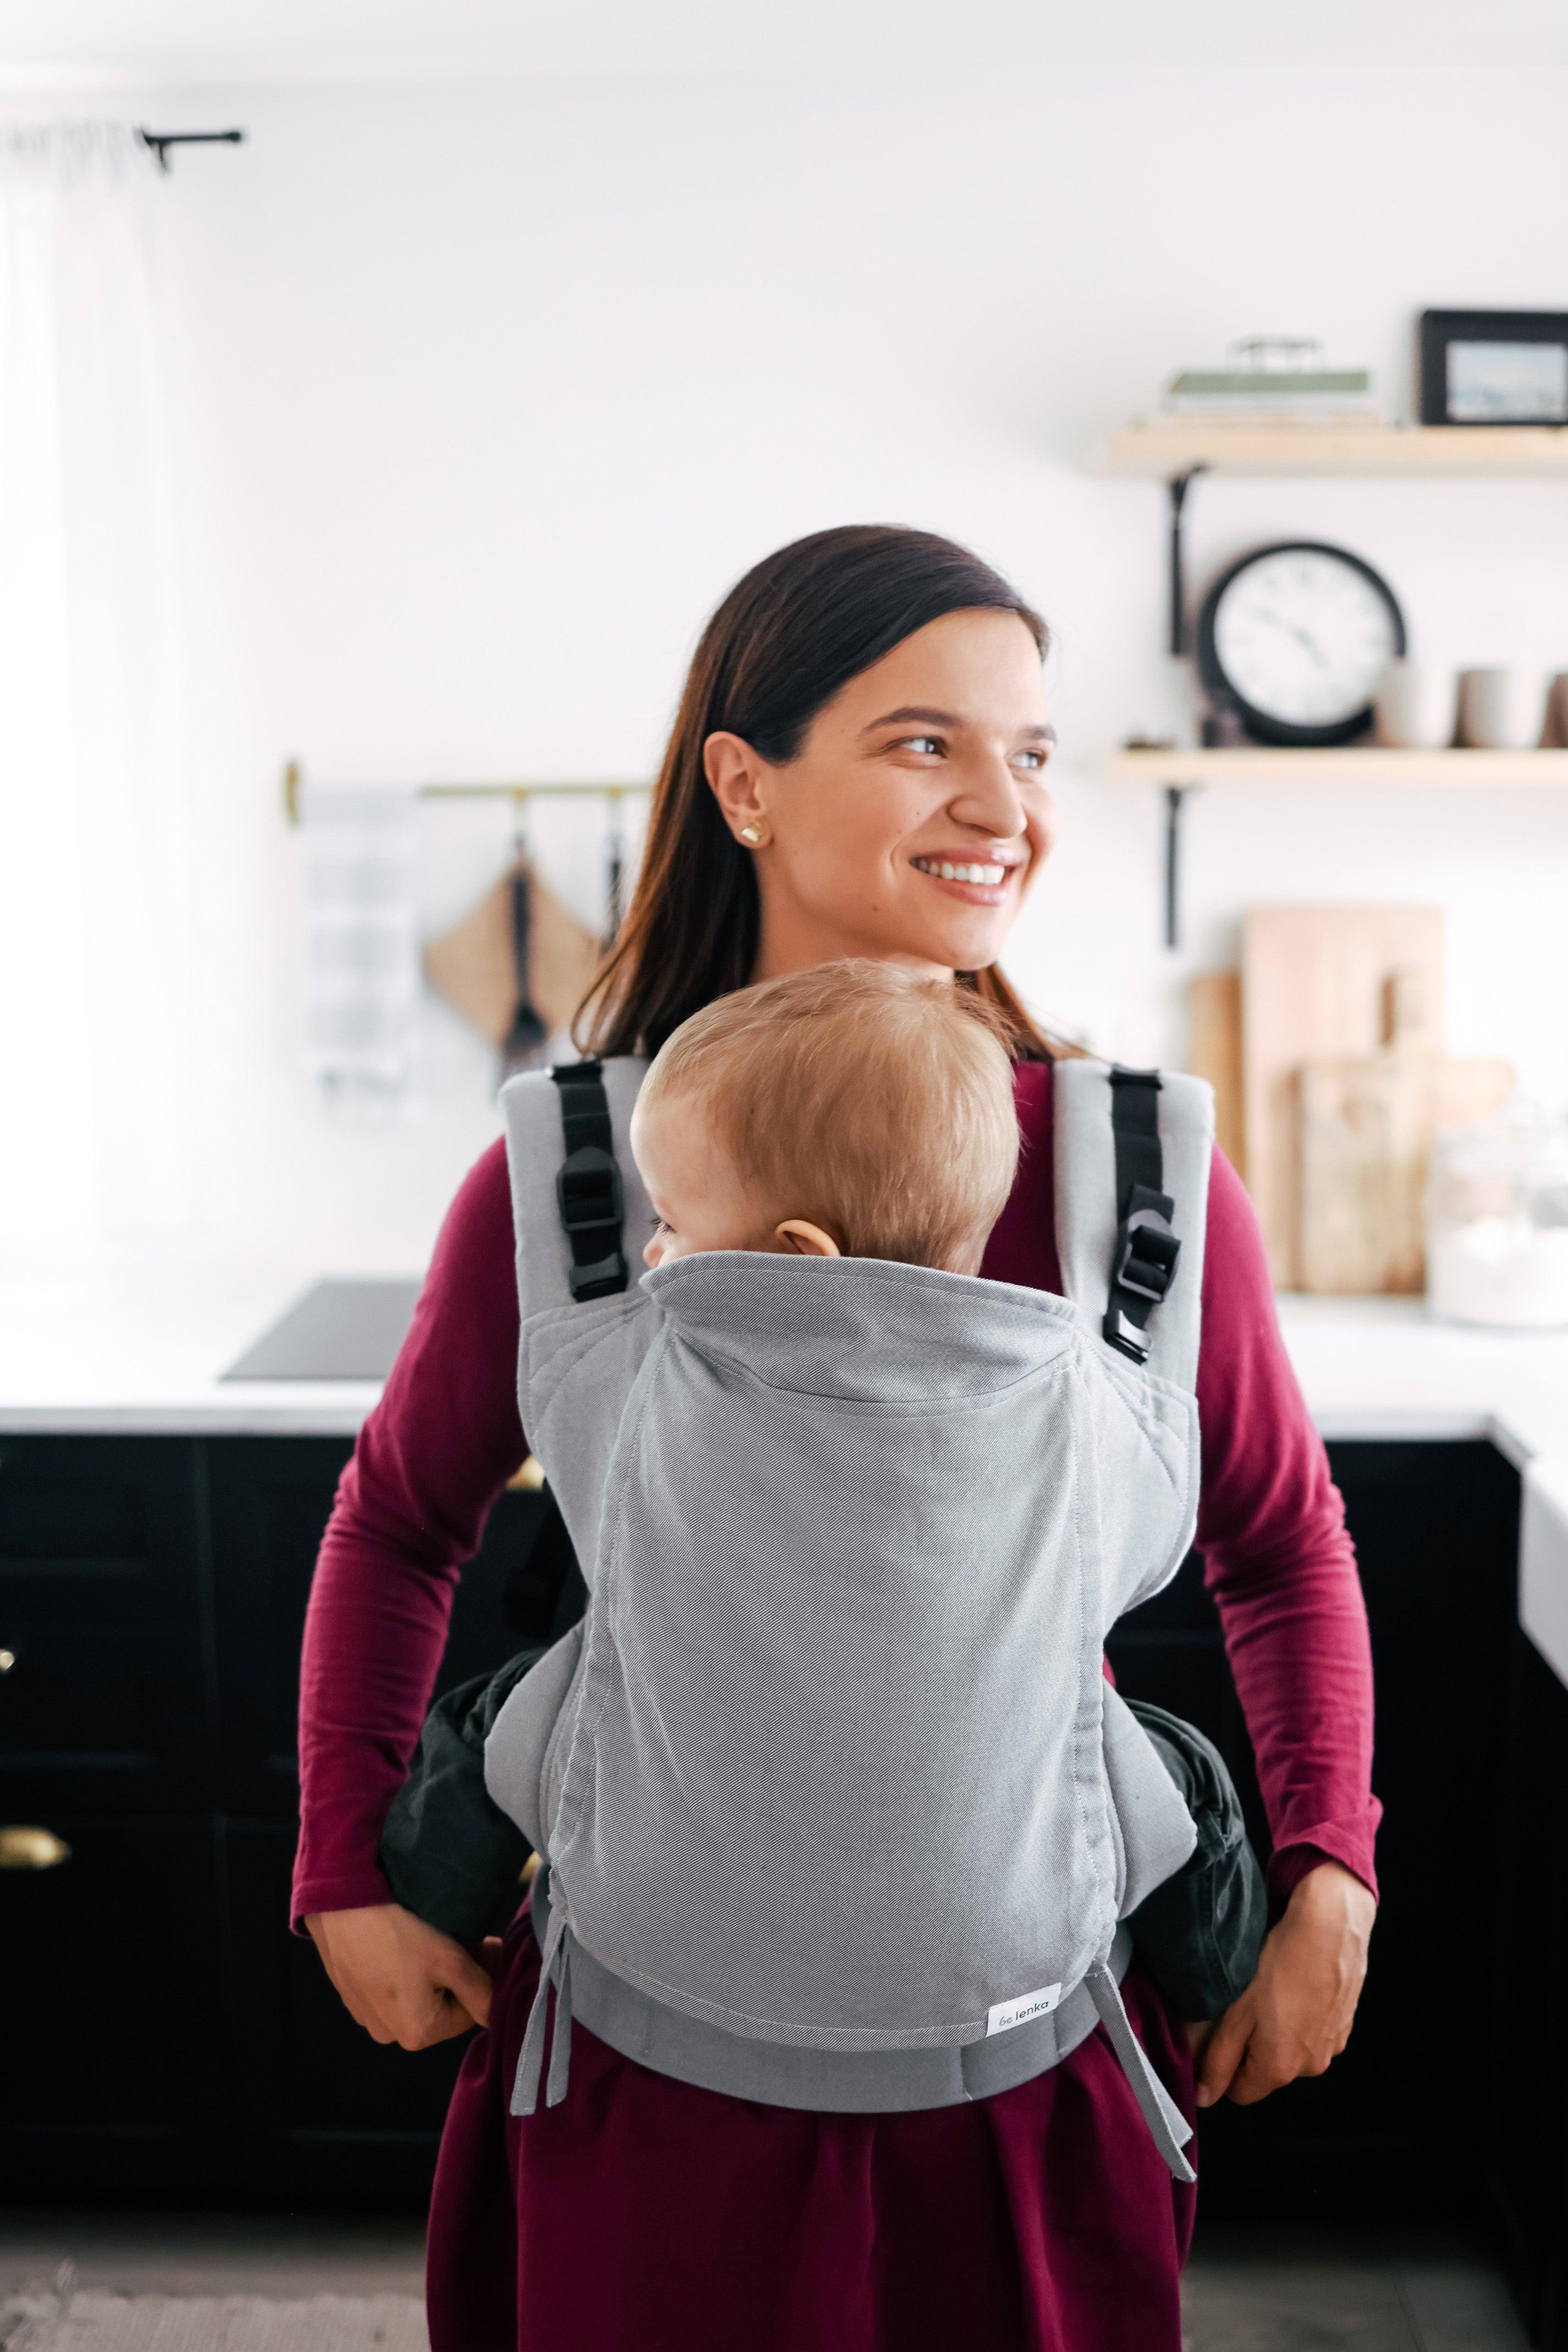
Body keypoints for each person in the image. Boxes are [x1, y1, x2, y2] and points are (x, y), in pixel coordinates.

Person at [296, 524, 1379, 2352]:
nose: (1004, 803)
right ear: (745, 780)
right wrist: (341, 1868)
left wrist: (1330, 1873)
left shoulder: (1140, 1181)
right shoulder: (582, 1180)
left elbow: (1279, 1547)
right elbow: (401, 1521)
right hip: (643, 2083)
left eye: (1032, 750)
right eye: (925, 741)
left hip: (1028, 2079)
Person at [375, 959, 1269, 2100]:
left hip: (650, 1939)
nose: (652, 1256)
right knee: (1180, 1769)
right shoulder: (1095, 1411)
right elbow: (1205, 1538)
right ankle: (1219, 1996)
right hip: (1007, 1949)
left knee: (491, 1717)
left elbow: (403, 1513)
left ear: (795, 1259)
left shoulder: (621, 1385)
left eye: (676, 1224)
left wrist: (364, 1895)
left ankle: (432, 1919)